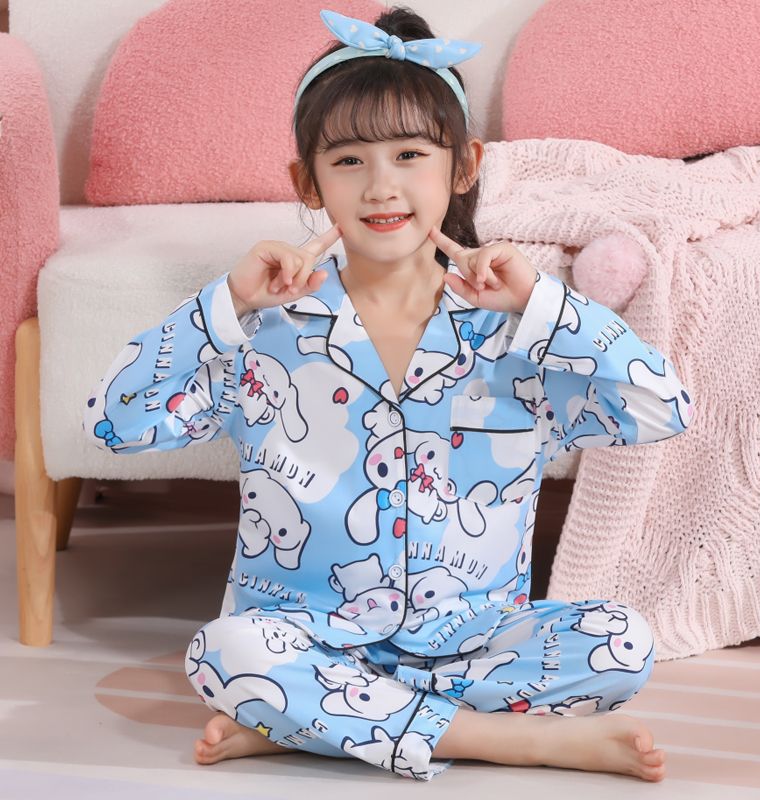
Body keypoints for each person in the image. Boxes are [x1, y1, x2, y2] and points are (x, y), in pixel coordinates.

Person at [83, 6, 692, 783]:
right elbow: (114, 424)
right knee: (224, 653)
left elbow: (662, 409)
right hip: (306, 636)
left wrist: (545, 304)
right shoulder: (265, 329)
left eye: (410, 154)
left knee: (623, 643)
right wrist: (225, 305)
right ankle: (505, 739)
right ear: (307, 182)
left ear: (464, 166)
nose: (381, 186)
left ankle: (317, 722)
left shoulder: (516, 331)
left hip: (472, 642)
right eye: (348, 160)